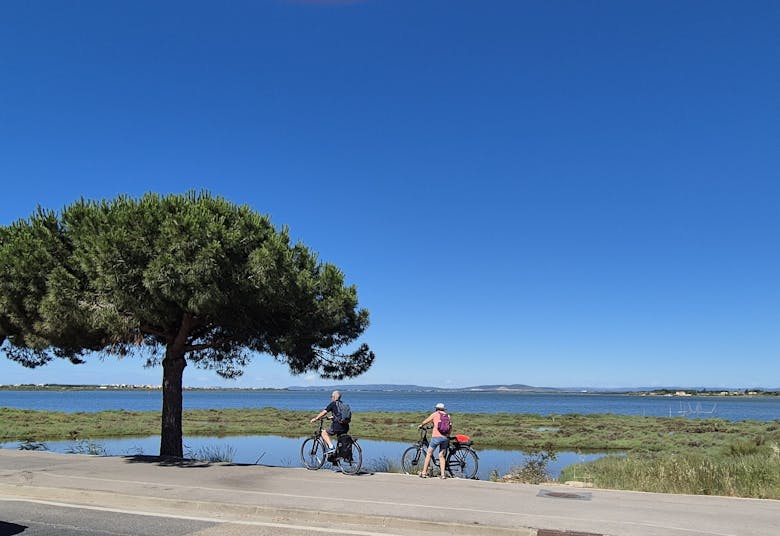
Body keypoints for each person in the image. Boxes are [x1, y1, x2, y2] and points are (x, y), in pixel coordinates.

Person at [310, 390, 349, 454]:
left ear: (334, 397)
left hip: (337, 427)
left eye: (331, 396)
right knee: (340, 442)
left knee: (324, 433)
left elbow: (324, 412)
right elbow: (340, 415)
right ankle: (336, 458)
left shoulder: (333, 404)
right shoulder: (343, 404)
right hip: (345, 427)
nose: (331, 398)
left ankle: (331, 447)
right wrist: (331, 417)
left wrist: (316, 418)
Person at [419, 402, 450, 479]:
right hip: (445, 438)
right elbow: (450, 427)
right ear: (443, 409)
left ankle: (424, 473)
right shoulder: (448, 416)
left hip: (436, 437)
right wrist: (447, 435)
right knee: (441, 456)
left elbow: (426, 421)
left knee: (429, 453)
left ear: (436, 408)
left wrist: (421, 425)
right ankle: (443, 475)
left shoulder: (435, 414)